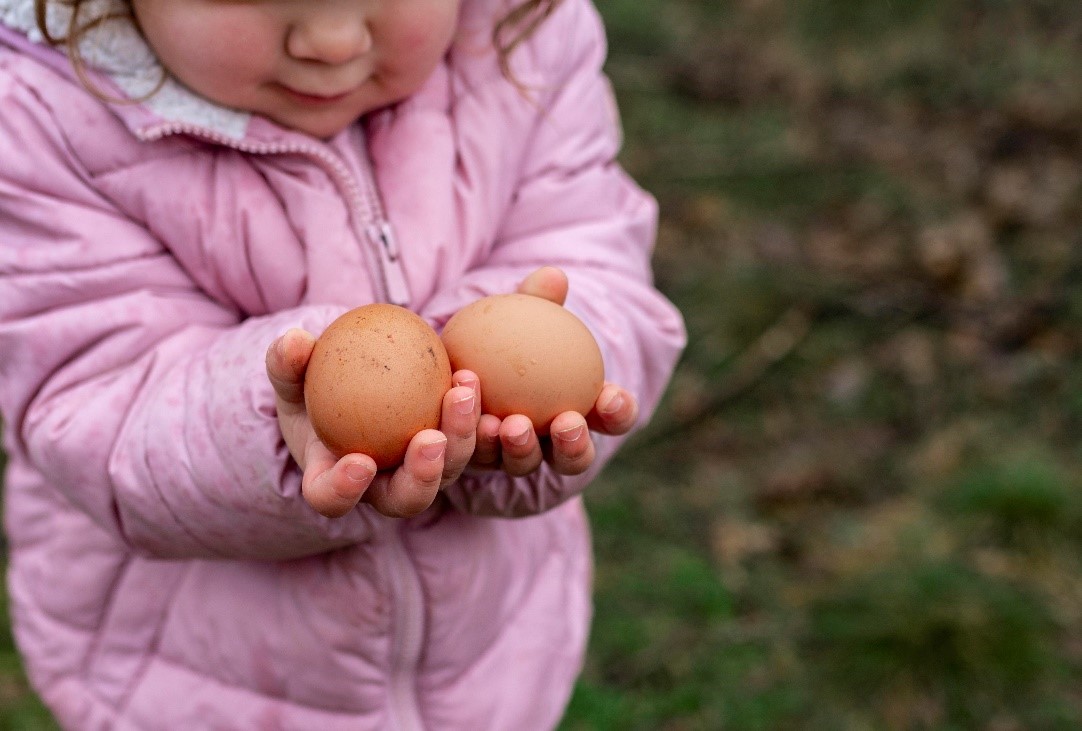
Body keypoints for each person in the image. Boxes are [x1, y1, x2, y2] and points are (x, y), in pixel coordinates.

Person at [0, 0, 686, 727]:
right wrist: (279, 419)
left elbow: (594, 253)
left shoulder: (521, 39)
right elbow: (91, 400)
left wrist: (513, 376)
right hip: (196, 673)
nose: (331, 41)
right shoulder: (44, 122)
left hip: (485, 653)